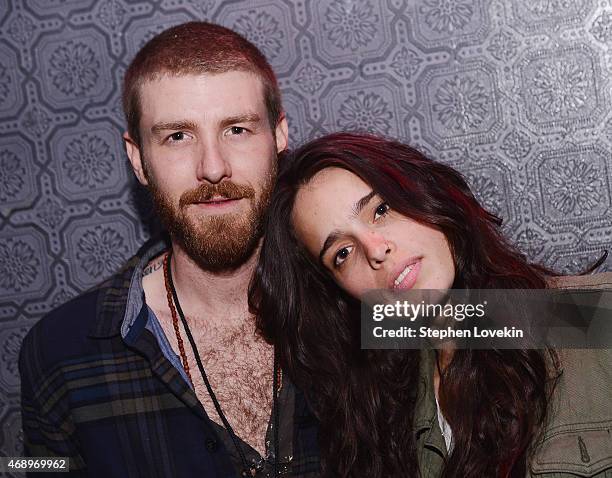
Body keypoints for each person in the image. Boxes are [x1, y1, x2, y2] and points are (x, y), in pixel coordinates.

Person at [19, 22, 320, 477]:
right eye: (178, 136)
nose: (213, 167)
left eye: (237, 129)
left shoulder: (357, 290)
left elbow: (468, 328)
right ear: (138, 158)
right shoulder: (58, 352)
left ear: (278, 136)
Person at [250, 132, 612, 478]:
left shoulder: (587, 315)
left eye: (382, 209)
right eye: (342, 253)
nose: (376, 250)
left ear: (425, 192)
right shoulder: (384, 419)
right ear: (339, 291)